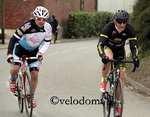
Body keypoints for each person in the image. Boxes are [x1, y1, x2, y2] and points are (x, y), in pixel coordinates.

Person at [7, 6, 52, 108]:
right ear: (34, 18)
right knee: (15, 68)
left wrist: (40, 53)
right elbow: (13, 40)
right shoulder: (25, 26)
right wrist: (9, 54)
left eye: (44, 19)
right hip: (20, 49)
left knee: (35, 74)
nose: (41, 21)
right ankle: (13, 79)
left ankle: (31, 97)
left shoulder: (48, 28)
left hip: (33, 51)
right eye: (39, 19)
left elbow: (46, 43)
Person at [97, 10, 139, 116]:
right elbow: (100, 44)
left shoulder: (129, 29)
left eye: (124, 22)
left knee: (121, 76)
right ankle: (103, 80)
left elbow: (133, 46)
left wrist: (135, 57)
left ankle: (118, 104)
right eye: (120, 22)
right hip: (108, 48)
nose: (122, 24)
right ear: (115, 21)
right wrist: (103, 56)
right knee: (109, 57)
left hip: (120, 51)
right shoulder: (109, 27)